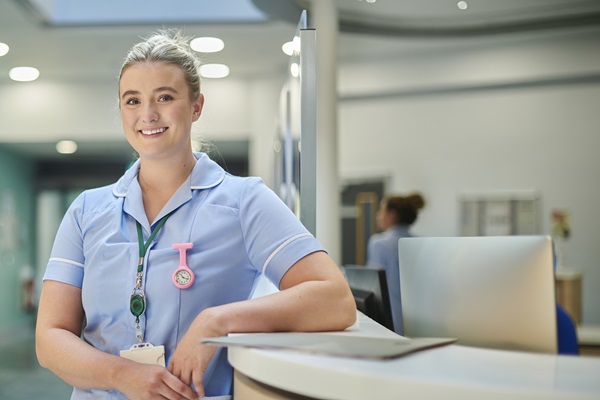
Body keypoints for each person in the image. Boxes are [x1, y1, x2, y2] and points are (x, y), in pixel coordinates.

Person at [35, 30, 356, 400]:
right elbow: (50, 338)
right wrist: (123, 375)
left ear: (196, 106)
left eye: (165, 97)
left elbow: (334, 299)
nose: (148, 114)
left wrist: (217, 321)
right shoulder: (86, 211)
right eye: (132, 100)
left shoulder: (243, 200)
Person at [366, 193, 425, 335]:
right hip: (421, 323)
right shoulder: (421, 243)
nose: (378, 216)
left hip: (391, 322)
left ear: (391, 215)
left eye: (381, 210)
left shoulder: (379, 243)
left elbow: (371, 288)